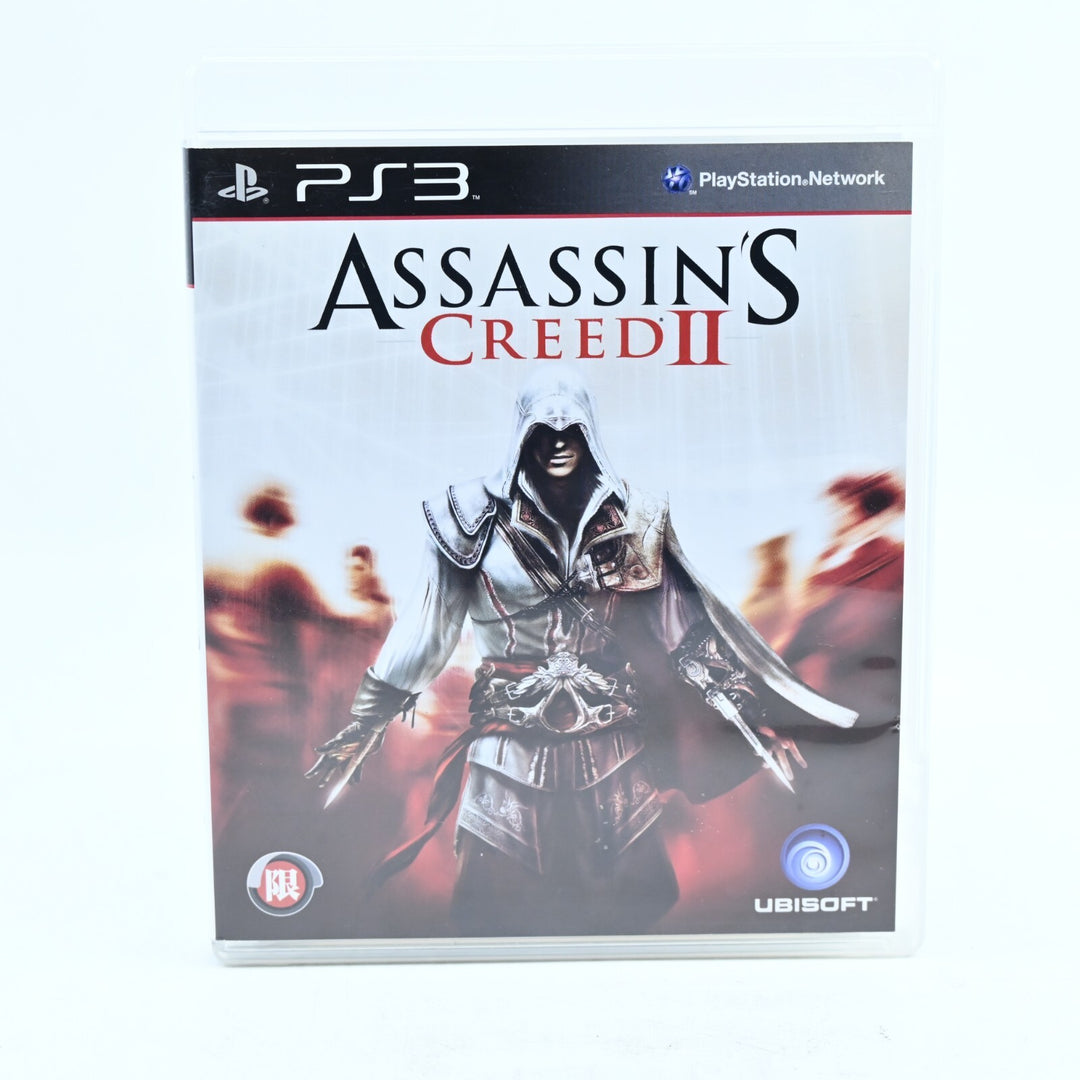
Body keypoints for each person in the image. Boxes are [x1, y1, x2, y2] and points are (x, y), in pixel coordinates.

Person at [307, 368, 856, 935]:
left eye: (571, 430)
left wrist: (751, 719)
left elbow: (683, 630)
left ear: (590, 431)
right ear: (522, 434)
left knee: (627, 904)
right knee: (496, 904)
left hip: (612, 748)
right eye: (543, 431)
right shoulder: (465, 518)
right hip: (508, 749)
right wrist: (365, 723)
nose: (558, 443)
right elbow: (426, 630)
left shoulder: (638, 517)